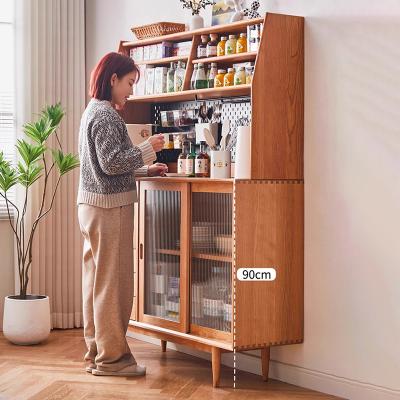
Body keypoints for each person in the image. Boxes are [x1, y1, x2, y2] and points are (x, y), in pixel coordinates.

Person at [77, 52, 167, 377]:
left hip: (92, 206)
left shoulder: (93, 112)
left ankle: (96, 354)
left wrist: (144, 169)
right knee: (113, 286)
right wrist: (148, 147)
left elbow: (106, 167)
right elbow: (112, 163)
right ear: (113, 79)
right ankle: (113, 361)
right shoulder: (106, 115)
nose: (131, 91)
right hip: (108, 209)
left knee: (96, 284)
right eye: (129, 83)